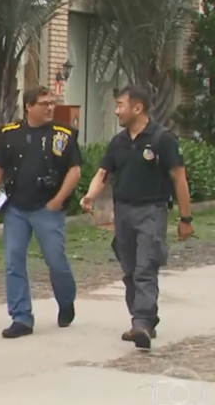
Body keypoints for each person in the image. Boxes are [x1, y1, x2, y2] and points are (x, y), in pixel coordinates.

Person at [81, 85, 193, 350]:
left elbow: (179, 179)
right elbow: (103, 173)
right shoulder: (118, 142)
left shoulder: (163, 139)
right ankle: (144, 319)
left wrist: (185, 218)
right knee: (130, 270)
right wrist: (90, 196)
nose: (117, 111)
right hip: (123, 213)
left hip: (151, 211)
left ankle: (141, 322)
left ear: (138, 108)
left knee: (145, 267)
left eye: (121, 105)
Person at [0, 86, 82, 338]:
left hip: (47, 208)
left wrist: (58, 200)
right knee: (13, 261)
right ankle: (21, 317)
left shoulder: (63, 134)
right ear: (28, 106)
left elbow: (74, 171)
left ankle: (66, 300)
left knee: (56, 261)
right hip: (16, 207)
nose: (49, 107)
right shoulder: (10, 134)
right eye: (43, 103)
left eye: (51, 103)